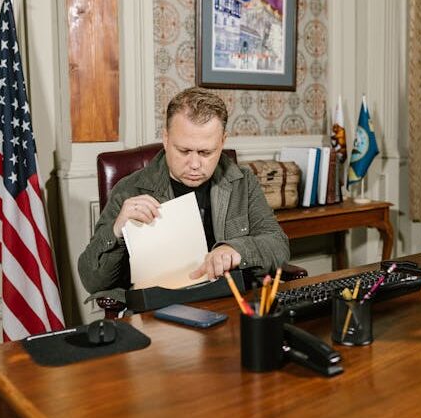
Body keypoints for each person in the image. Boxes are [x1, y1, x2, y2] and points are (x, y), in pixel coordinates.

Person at [79, 87, 290, 294]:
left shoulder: (243, 183)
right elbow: (92, 281)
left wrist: (236, 250)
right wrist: (117, 230)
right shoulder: (129, 189)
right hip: (159, 310)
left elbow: (278, 246)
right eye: (184, 151)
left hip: (230, 301)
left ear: (222, 141)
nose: (195, 164)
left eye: (206, 152)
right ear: (166, 139)